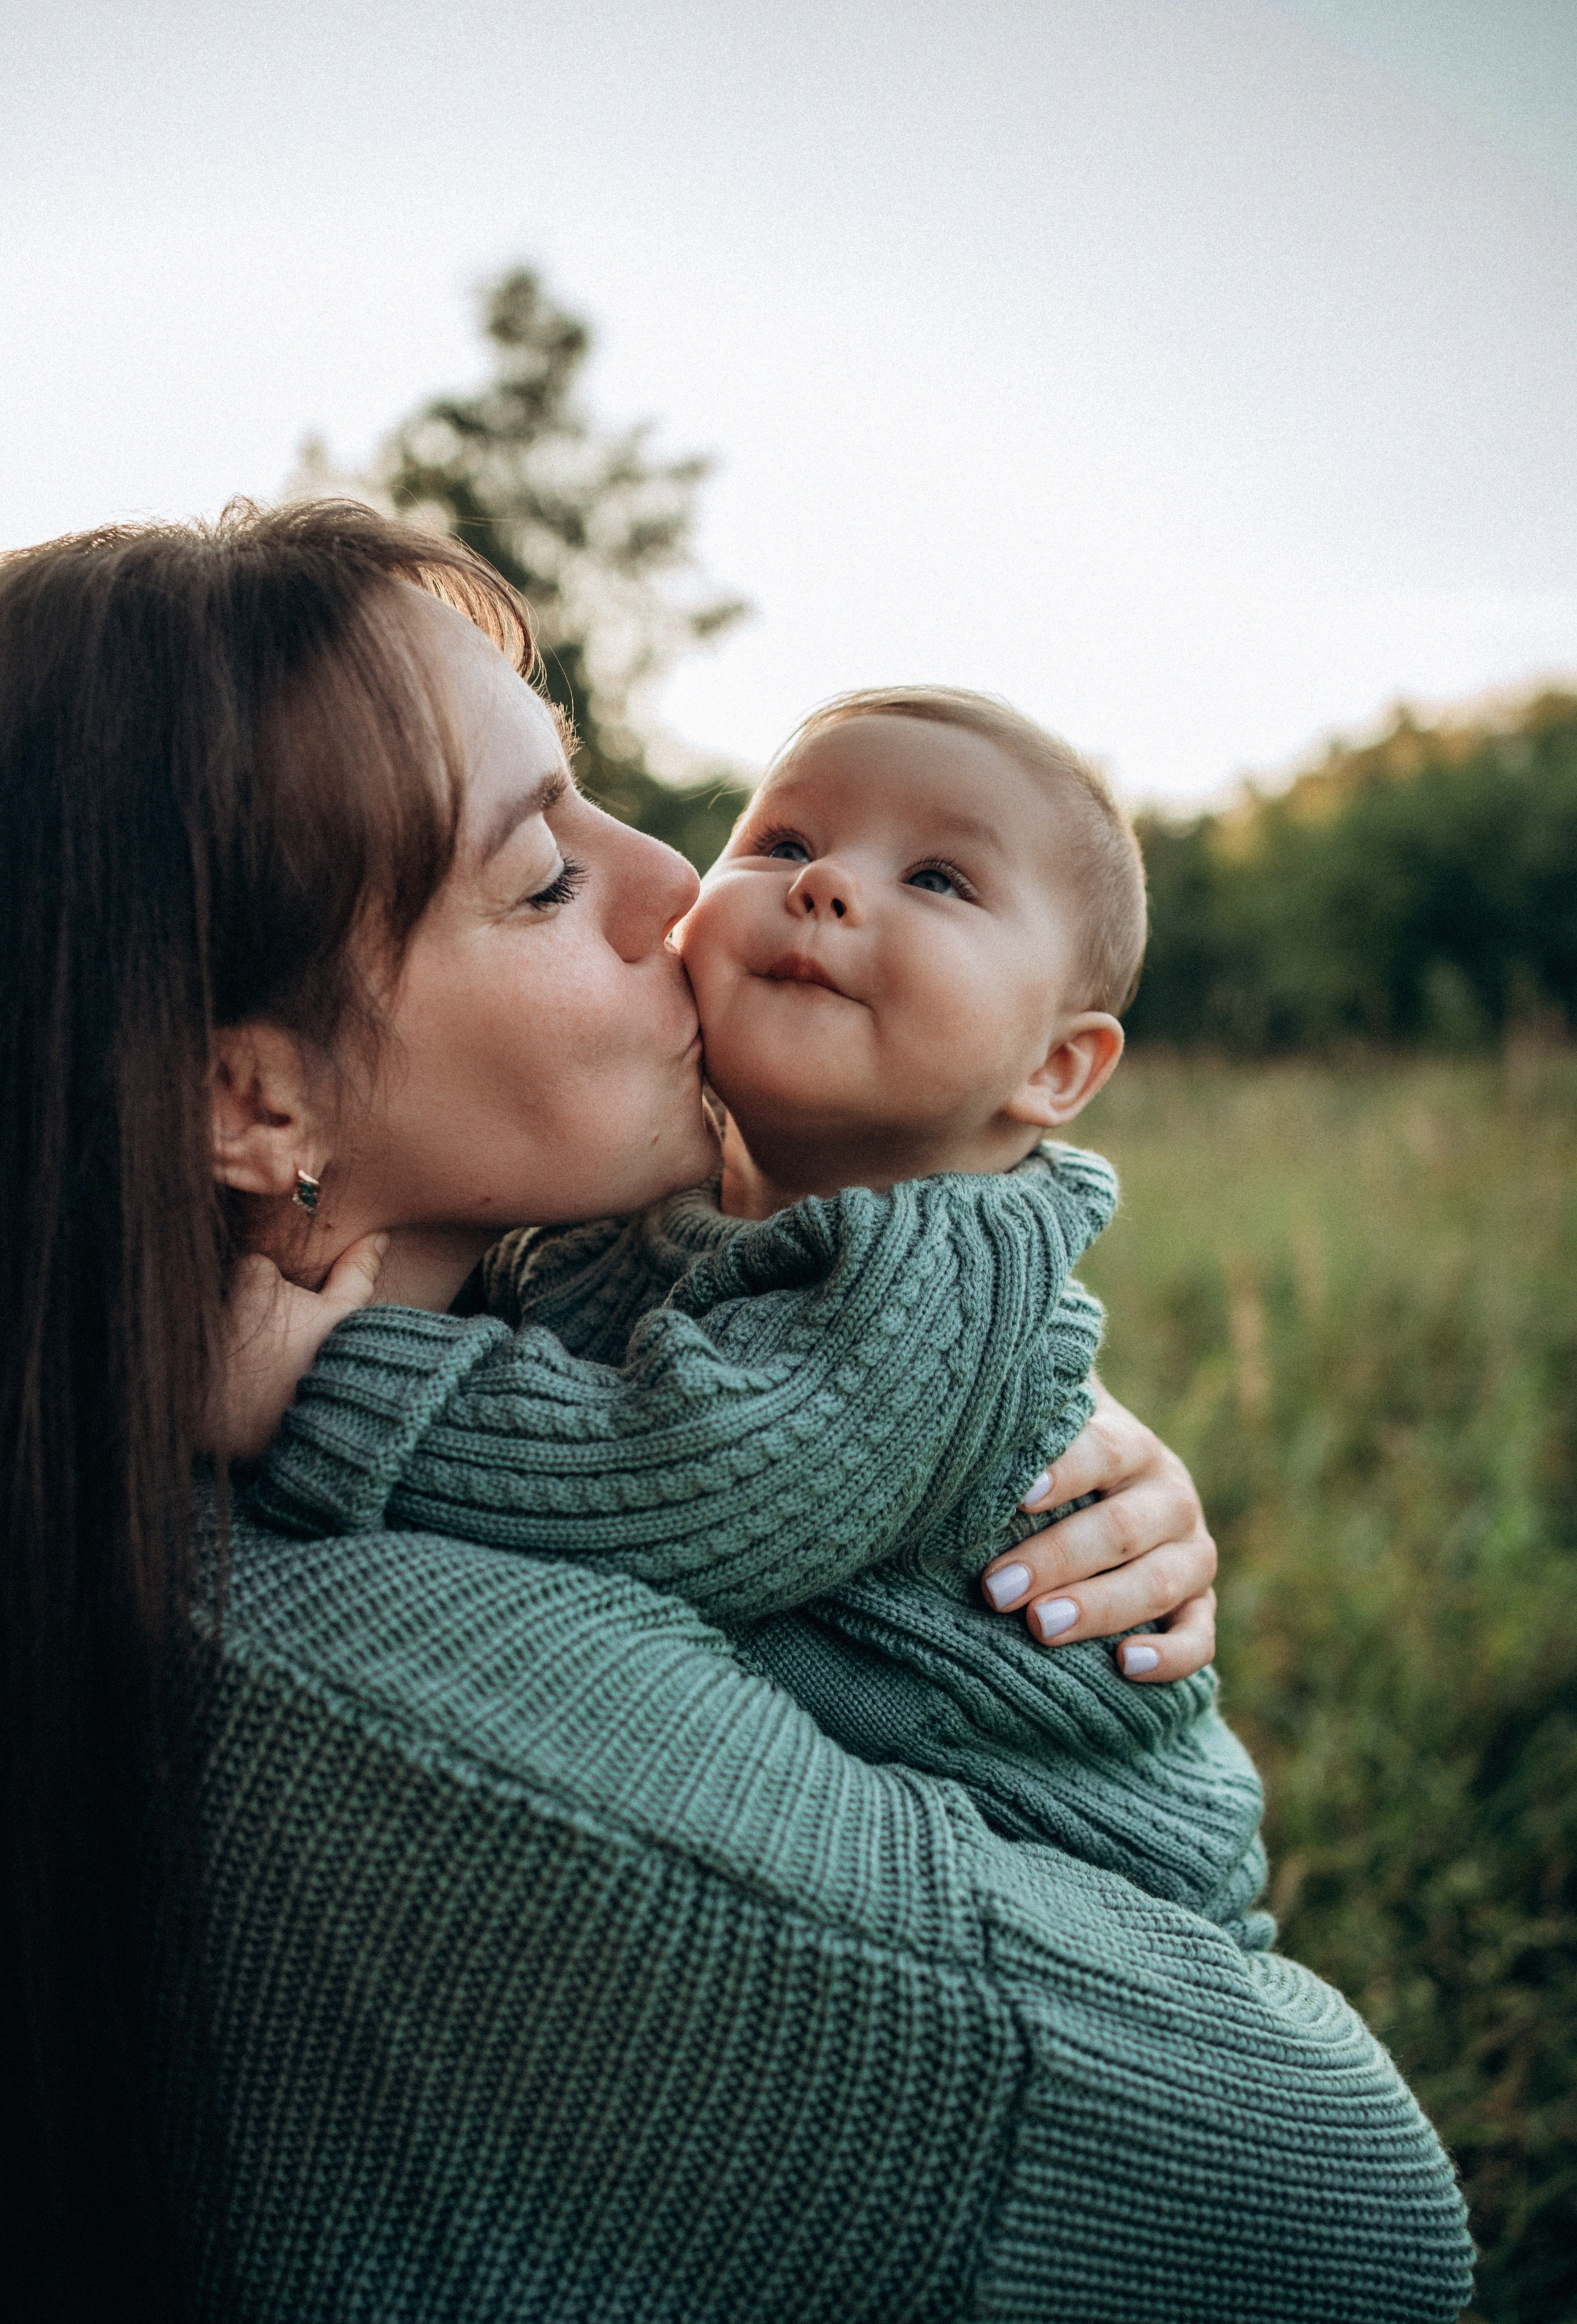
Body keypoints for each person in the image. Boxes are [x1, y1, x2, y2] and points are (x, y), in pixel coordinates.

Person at [0, 501, 1473, 2323]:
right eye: (542, 877)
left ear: (1063, 1066)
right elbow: (1354, 2218)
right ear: (254, 1106)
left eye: (600, 801)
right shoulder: (394, 1691)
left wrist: (991, 1470)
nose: (680, 894)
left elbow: (765, 1442)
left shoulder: (136, 1481)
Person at [236, 685, 1270, 1939]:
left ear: (1054, 1068)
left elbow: (694, 1482)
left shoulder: (944, 1264)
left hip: (1085, 1862)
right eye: (782, 844)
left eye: (938, 879)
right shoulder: (634, 1207)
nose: (827, 885)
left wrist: (316, 1380)